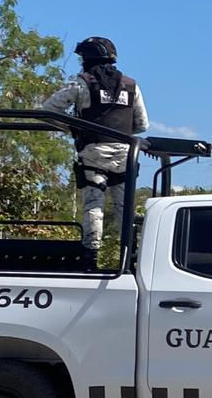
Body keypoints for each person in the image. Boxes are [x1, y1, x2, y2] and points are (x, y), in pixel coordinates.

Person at [42, 37, 149, 269]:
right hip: (125, 154)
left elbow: (49, 110)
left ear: (87, 59)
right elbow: (142, 125)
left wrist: (72, 128)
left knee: (94, 205)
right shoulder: (131, 85)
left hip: (94, 153)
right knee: (124, 207)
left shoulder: (82, 83)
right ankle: (130, 260)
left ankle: (90, 258)